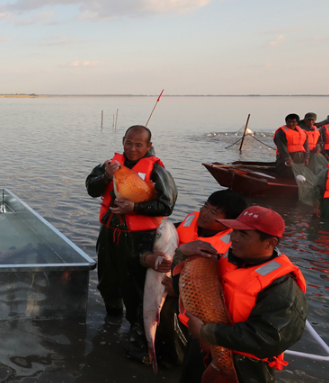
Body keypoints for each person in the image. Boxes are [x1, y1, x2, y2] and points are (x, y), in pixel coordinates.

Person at [177, 207, 308, 383]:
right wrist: (181, 252)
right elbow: (181, 286)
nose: (234, 238)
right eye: (235, 231)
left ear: (270, 243)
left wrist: (206, 331)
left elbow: (269, 337)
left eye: (244, 234)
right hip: (202, 349)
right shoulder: (221, 259)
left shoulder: (283, 288)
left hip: (245, 367)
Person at [85, 125, 177, 361]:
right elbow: (91, 189)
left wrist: (135, 207)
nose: (132, 148)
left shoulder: (157, 170)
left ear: (148, 146)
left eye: (138, 145)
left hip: (138, 238)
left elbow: (166, 206)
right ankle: (111, 319)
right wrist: (106, 176)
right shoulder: (110, 165)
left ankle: (138, 333)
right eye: (129, 143)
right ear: (123, 141)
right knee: (107, 280)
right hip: (109, 233)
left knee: (135, 287)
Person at [155, 190, 247, 367]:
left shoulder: (232, 249)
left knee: (179, 335)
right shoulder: (189, 222)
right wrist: (148, 257)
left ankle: (175, 362)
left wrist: (178, 290)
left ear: (229, 222)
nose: (204, 213)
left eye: (214, 212)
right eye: (205, 206)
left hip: (196, 299)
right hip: (170, 282)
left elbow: (221, 287)